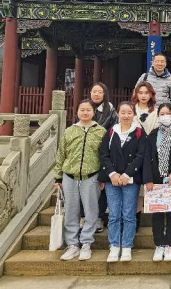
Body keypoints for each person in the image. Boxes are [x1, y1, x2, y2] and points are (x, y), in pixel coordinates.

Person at [53, 100, 106, 261]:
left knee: (91, 211)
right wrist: (58, 177)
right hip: (69, 177)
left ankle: (86, 243)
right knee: (71, 211)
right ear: (77, 112)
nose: (85, 112)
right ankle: (72, 244)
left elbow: (104, 156)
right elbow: (61, 154)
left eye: (88, 110)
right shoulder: (69, 131)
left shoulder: (101, 131)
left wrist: (103, 176)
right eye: (82, 109)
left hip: (91, 176)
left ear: (93, 112)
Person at [99, 102, 146, 263]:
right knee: (113, 214)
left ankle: (126, 246)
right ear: (117, 114)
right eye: (123, 112)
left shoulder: (139, 133)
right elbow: (104, 154)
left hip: (130, 179)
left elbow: (140, 155)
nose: (126, 115)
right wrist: (112, 173)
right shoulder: (111, 132)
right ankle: (114, 245)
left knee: (128, 214)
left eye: (129, 112)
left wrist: (127, 174)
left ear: (134, 114)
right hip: (112, 179)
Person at [143, 103, 171, 262]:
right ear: (158, 116)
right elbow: (147, 158)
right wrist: (148, 179)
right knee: (157, 214)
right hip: (156, 182)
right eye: (162, 114)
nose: (165, 116)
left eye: (168, 113)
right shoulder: (152, 135)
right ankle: (159, 245)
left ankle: (169, 245)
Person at [80, 82, 117, 233]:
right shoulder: (85, 108)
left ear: (104, 94)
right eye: (94, 91)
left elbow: (113, 133)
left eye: (99, 92)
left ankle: (99, 217)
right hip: (85, 155)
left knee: (101, 187)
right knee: (84, 187)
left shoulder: (110, 112)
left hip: (103, 154)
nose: (96, 94)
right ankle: (84, 216)